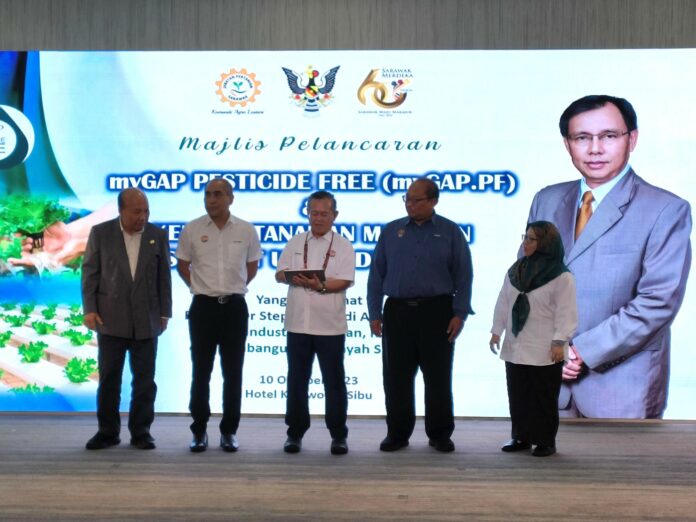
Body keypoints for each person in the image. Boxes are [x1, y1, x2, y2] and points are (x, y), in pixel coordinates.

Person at [526, 94, 692, 418]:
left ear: (632, 139)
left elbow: (657, 302)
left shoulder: (665, 209)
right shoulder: (546, 200)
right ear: (567, 144)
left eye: (609, 136)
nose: (595, 148)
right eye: (582, 138)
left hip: (621, 388)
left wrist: (579, 352)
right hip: (549, 381)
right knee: (542, 454)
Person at [367, 177, 474, 452]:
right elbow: (376, 275)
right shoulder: (391, 231)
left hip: (437, 311)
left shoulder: (450, 232)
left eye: (416, 200)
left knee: (438, 377)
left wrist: (460, 313)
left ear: (433, 201)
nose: (409, 205)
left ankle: (440, 434)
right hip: (398, 312)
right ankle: (397, 433)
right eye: (407, 199)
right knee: (396, 378)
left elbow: (464, 275)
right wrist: (374, 313)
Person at [81, 188, 172, 450]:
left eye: (146, 211)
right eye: (136, 212)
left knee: (145, 381)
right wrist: (89, 309)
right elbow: (90, 273)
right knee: (109, 379)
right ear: (121, 211)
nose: (142, 217)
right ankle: (107, 432)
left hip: (147, 319)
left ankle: (141, 432)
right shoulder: (101, 233)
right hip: (109, 318)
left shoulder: (157, 235)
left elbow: (163, 277)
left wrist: (164, 312)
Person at [176, 179, 262, 452]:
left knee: (233, 372)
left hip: (235, 308)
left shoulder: (246, 230)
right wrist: (201, 288)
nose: (211, 200)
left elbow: (251, 267)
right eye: (207, 195)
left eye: (217, 194)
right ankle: (199, 430)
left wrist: (231, 288)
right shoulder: (192, 229)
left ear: (230, 198)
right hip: (203, 308)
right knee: (201, 371)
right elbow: (182, 265)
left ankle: (229, 431)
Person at [275, 191, 355, 455]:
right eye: (314, 213)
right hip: (298, 323)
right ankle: (295, 433)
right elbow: (279, 273)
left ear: (334, 215)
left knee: (334, 382)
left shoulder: (344, 245)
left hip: (330, 325)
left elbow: (344, 280)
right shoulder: (295, 241)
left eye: (324, 214)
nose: (318, 218)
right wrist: (292, 277)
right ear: (307, 213)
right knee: (297, 380)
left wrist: (318, 285)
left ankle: (338, 435)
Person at [489, 221, 577, 457]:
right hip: (516, 344)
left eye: (531, 239)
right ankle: (521, 436)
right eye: (525, 237)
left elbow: (566, 312)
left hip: (545, 347)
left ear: (545, 243)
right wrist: (496, 330)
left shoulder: (561, 276)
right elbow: (504, 301)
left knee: (543, 397)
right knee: (518, 394)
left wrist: (560, 341)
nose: (525, 243)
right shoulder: (516, 270)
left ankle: (545, 440)